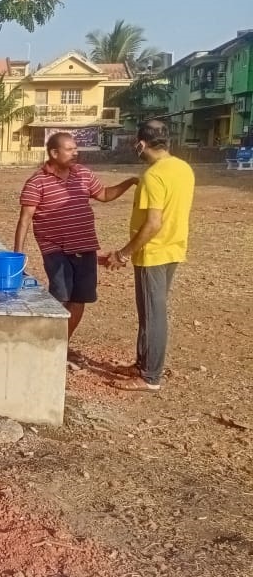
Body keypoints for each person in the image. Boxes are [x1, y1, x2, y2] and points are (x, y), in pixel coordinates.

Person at [14, 132, 136, 342]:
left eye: (75, 148)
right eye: (69, 149)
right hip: (56, 250)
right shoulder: (37, 182)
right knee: (60, 298)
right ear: (54, 152)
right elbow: (25, 219)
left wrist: (131, 182)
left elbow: (105, 195)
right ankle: (44, 342)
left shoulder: (83, 174)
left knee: (80, 299)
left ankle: (62, 346)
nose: (75, 153)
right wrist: (17, 256)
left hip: (85, 247)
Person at [105, 120, 196, 392]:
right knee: (148, 311)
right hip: (173, 247)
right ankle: (142, 363)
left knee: (153, 314)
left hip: (153, 252)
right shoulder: (183, 168)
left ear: (141, 144)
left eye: (136, 143)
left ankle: (150, 376)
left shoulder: (153, 176)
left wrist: (123, 254)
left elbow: (153, 223)